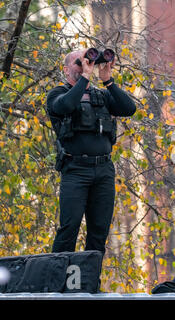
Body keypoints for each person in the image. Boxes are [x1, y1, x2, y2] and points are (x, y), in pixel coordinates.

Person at [46, 49, 136, 254]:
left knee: (99, 232)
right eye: (80, 63)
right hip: (75, 170)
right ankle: (56, 283)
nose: (85, 65)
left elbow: (129, 109)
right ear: (66, 69)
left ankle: (91, 284)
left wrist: (108, 81)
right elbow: (66, 105)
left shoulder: (101, 96)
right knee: (69, 228)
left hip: (103, 170)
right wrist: (85, 77)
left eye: (89, 62)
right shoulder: (57, 94)